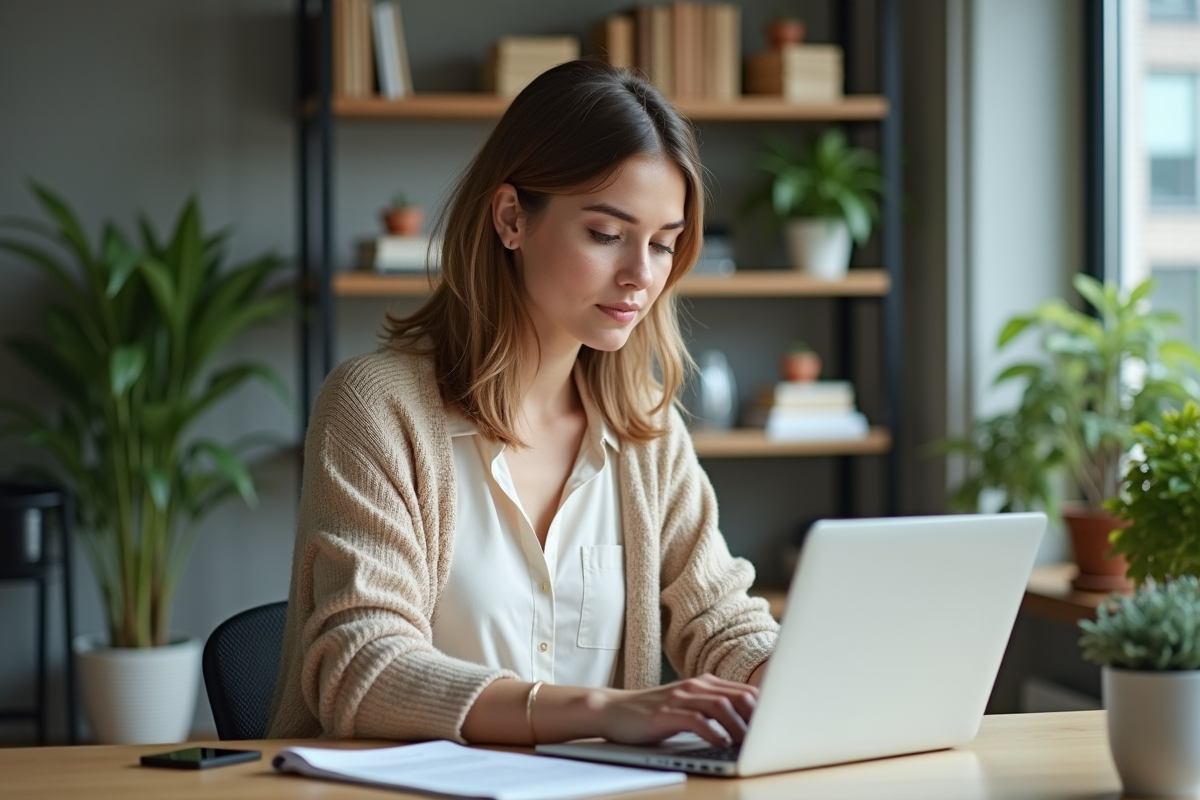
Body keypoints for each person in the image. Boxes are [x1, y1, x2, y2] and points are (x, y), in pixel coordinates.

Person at [267, 59, 778, 749]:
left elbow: (718, 619)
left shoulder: (644, 432)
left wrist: (792, 676)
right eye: (606, 234)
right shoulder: (377, 408)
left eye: (663, 244)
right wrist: (604, 711)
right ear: (511, 218)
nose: (640, 275)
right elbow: (363, 663)